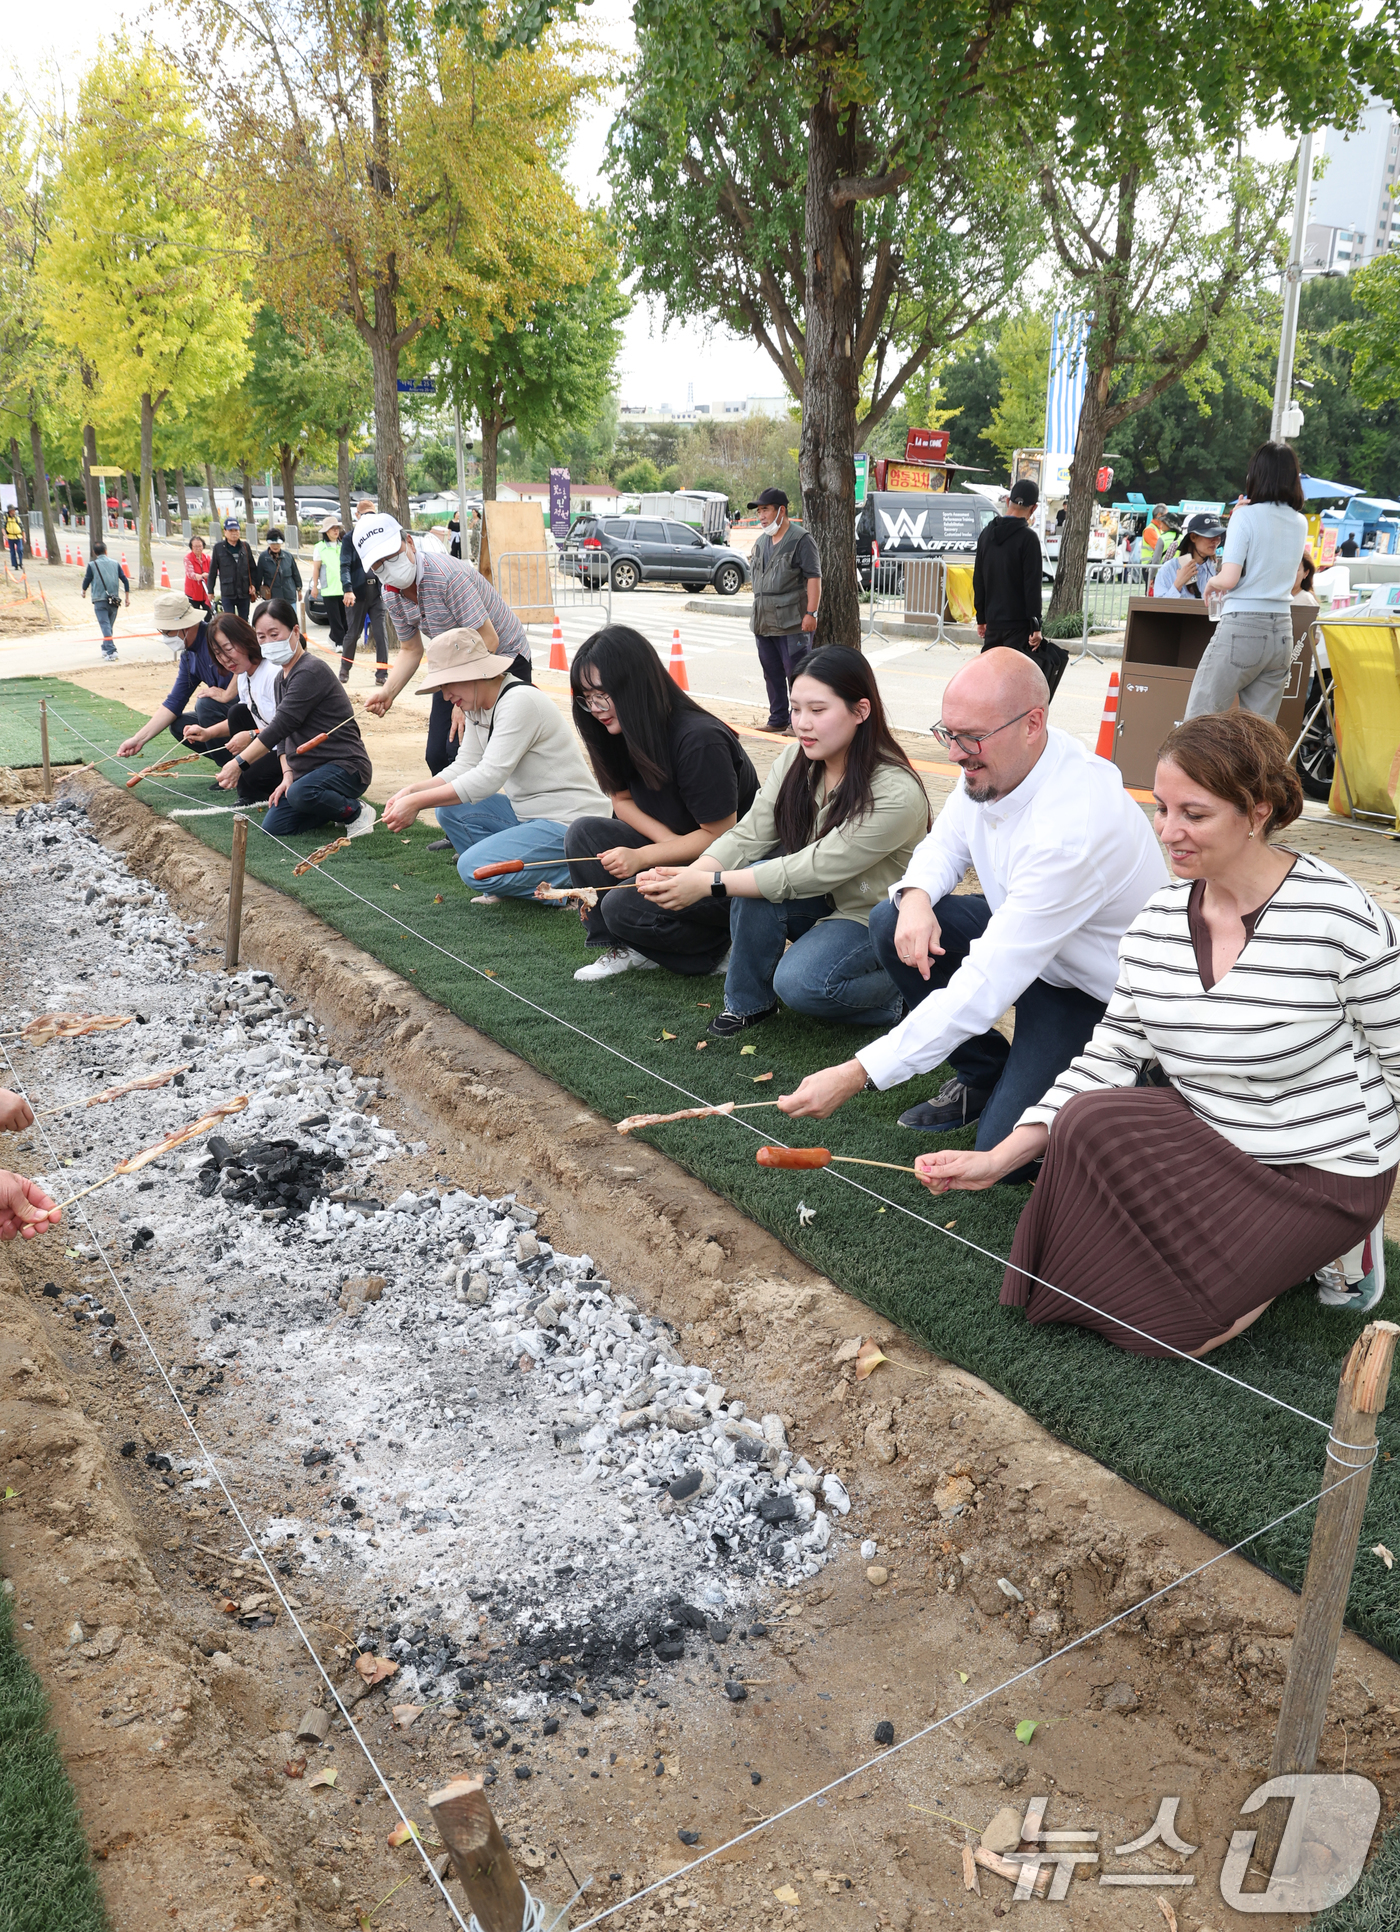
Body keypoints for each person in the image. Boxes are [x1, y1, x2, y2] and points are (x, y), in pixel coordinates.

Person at [917, 711, 1400, 1349]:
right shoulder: (1158, 920)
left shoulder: (1341, 916)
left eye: (1193, 815)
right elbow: (1109, 1054)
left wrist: (1366, 1151)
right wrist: (996, 1157)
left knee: (1171, 1334)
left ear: (1256, 812)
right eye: (1161, 808)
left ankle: (1337, 1245)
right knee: (1088, 1126)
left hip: (1319, 1163)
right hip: (1212, 1134)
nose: (1167, 832)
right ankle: (1236, 1244)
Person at [777, 648, 1166, 1145]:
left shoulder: (1072, 829)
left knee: (1007, 1150)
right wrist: (915, 898)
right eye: (948, 732)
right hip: (1029, 941)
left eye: (970, 738)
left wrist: (857, 1072)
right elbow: (945, 842)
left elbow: (986, 985)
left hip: (1091, 988)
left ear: (1033, 723)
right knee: (889, 918)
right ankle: (983, 1073)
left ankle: (1139, 1077)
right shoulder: (1001, 760)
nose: (955, 753)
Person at [635, 645, 931, 1036]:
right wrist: (692, 874)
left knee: (802, 985)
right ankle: (748, 1004)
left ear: (861, 710)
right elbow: (749, 833)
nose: (802, 723)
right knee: (754, 881)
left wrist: (709, 885)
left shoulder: (895, 792)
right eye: (795, 709)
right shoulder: (796, 760)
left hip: (873, 915)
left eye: (818, 710)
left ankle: (903, 995)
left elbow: (816, 868)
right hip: (823, 902)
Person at [564, 625, 760, 980]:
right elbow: (620, 799)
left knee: (622, 904)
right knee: (583, 835)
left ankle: (719, 948)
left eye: (601, 696)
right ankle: (625, 946)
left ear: (634, 685)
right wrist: (668, 846)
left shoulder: (699, 740)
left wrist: (643, 857)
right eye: (586, 698)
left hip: (727, 871)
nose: (593, 709)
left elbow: (722, 836)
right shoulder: (616, 731)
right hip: (683, 849)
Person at [380, 629, 604, 896]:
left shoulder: (519, 701)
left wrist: (417, 803)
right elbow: (466, 766)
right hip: (528, 817)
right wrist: (413, 791)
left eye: (447, 684)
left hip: (567, 823)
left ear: (473, 673)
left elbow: (488, 778)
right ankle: (507, 880)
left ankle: (570, 878)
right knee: (448, 810)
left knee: (471, 868)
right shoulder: (478, 705)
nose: (445, 696)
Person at [357, 513, 531, 774]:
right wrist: (389, 692)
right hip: (454, 664)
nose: (388, 568)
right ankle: (459, 815)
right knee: (438, 755)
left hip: (503, 658)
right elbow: (411, 649)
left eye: (391, 556)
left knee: (473, 754)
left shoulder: (448, 577)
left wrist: (465, 703)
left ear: (410, 544)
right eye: (378, 565)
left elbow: (489, 640)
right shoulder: (390, 594)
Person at [214, 598, 375, 837]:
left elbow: (279, 727)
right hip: (306, 773)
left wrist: (239, 763)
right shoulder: (282, 677)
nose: (268, 642)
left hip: (345, 766)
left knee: (300, 793)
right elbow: (283, 736)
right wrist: (287, 775)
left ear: (295, 632)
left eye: (274, 634)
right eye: (262, 637)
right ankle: (333, 807)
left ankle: (355, 811)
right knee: (275, 825)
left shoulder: (310, 670)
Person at [1190, 443, 1309, 723]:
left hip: (1242, 627)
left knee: (1199, 722)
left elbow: (1229, 578)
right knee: (1258, 735)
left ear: (1257, 475)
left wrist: (1212, 583)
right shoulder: (1300, 521)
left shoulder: (1245, 515)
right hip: (1282, 631)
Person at [972, 479, 1066, 698]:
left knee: (991, 679)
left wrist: (981, 618)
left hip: (993, 624)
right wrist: (1035, 625)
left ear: (1008, 500)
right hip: (1018, 626)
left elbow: (979, 579)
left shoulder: (987, 535)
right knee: (1014, 685)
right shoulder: (1028, 539)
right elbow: (1031, 585)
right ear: (1033, 509)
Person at [180, 613, 286, 806]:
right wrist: (207, 733)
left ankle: (263, 785)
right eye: (218, 654)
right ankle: (250, 789)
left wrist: (252, 735)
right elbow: (250, 716)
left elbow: (289, 726)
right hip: (270, 741)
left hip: (291, 747)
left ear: (246, 640)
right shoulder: (243, 675)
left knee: (251, 774)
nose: (225, 658)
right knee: (237, 712)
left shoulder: (274, 673)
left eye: (228, 648)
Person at [115, 591, 231, 765]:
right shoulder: (188, 656)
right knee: (181, 726)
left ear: (187, 625)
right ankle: (232, 762)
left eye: (168, 631)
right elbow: (175, 702)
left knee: (205, 705)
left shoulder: (220, 639)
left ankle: (237, 771)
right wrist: (139, 739)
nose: (165, 637)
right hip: (227, 714)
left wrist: (227, 694)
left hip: (248, 712)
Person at [747, 487, 821, 736]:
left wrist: (812, 613)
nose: (762, 516)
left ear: (782, 510)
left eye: (765, 510)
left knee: (797, 674)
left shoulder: (801, 539)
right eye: (759, 511)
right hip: (763, 621)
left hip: (792, 622)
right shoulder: (761, 541)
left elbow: (814, 577)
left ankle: (796, 722)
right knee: (772, 673)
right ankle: (777, 718)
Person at [337, 498, 391, 687]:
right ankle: (345, 668)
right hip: (357, 592)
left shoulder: (380, 536)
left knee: (380, 631)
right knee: (353, 633)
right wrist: (348, 589)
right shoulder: (349, 538)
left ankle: (382, 672)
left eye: (371, 515)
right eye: (365, 515)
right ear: (357, 516)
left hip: (376, 592)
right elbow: (344, 565)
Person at [1153, 511, 1226, 600]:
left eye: (1218, 536)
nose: (1215, 540)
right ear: (1193, 537)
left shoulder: (1219, 570)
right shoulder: (1169, 569)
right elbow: (1159, 608)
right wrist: (1178, 584)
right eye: (1210, 535)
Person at [309, 515, 349, 668]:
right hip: (328, 588)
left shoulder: (342, 545)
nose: (336, 531)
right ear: (326, 531)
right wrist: (314, 586)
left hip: (344, 587)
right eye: (333, 529)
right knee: (335, 618)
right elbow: (316, 568)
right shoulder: (320, 547)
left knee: (345, 617)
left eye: (337, 528)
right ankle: (339, 642)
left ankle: (336, 638)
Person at [80, 542, 130, 661]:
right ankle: (105, 647)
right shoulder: (115, 564)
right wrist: (127, 597)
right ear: (106, 551)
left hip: (99, 600)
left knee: (105, 625)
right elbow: (125, 580)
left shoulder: (92, 565)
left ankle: (111, 651)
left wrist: (83, 591)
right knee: (108, 626)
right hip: (114, 600)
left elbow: (87, 580)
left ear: (94, 552)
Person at [207, 517, 255, 619]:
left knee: (243, 621)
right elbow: (213, 571)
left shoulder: (245, 546)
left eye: (236, 530)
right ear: (225, 532)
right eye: (231, 530)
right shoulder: (218, 548)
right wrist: (210, 590)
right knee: (229, 621)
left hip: (244, 592)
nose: (234, 533)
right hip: (228, 592)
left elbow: (253, 568)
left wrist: (254, 585)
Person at [255, 527, 303, 608]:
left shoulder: (288, 556)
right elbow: (259, 576)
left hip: (289, 596)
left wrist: (299, 590)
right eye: (273, 544)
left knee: (290, 619)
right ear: (268, 543)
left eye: (277, 543)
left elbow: (295, 574)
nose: (275, 546)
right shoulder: (263, 557)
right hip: (272, 598)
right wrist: (257, 591)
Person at [184, 532, 212, 613]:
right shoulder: (188, 558)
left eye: (200, 546)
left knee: (208, 614)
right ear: (191, 547)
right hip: (193, 592)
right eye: (195, 546)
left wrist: (209, 575)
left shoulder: (208, 558)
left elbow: (215, 570)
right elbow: (190, 573)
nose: (198, 548)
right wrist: (200, 576)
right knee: (194, 615)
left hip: (206, 592)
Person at [4, 507, 23, 571]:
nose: (14, 511)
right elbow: (3, 527)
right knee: (12, 551)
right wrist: (5, 535)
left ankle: (20, 563)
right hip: (10, 537)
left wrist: (24, 537)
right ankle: (15, 565)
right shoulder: (6, 518)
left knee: (20, 550)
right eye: (13, 510)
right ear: (10, 511)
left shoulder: (17, 518)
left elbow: (22, 527)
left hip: (18, 536)